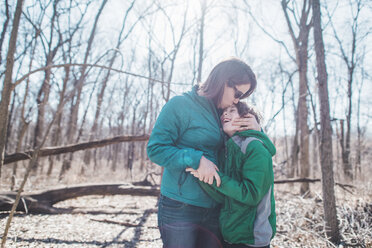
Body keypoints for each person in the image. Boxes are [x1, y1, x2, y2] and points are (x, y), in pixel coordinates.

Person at [147, 57, 260, 248]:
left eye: (241, 97)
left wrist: (256, 128)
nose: (237, 100)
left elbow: (248, 145)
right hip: (180, 206)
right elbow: (156, 149)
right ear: (224, 80)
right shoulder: (179, 105)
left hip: (217, 207)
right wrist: (195, 159)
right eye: (237, 93)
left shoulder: (227, 112)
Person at [187, 102, 276, 248]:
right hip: (230, 235)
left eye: (232, 111)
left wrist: (216, 177)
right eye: (223, 112)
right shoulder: (227, 150)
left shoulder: (255, 147)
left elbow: (251, 194)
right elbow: (225, 196)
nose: (224, 115)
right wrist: (204, 177)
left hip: (252, 238)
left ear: (247, 118)